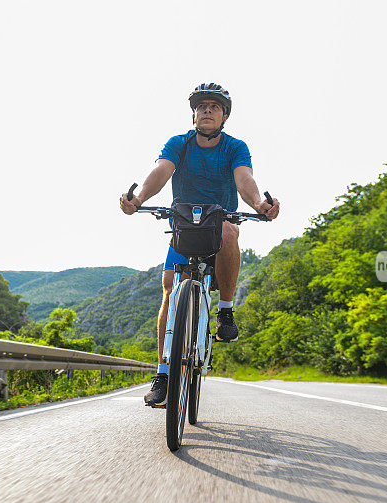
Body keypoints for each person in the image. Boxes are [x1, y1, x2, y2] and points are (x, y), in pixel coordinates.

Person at [119, 83, 280, 406]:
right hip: (183, 225)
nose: (207, 110)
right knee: (169, 289)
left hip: (218, 224)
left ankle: (225, 312)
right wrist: (138, 199)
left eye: (214, 107)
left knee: (229, 232)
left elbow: (244, 179)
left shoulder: (235, 147)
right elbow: (161, 172)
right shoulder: (179, 143)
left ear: (224, 116)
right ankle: (163, 374)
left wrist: (259, 205)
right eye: (202, 106)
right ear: (193, 114)